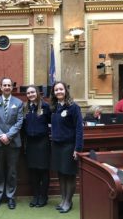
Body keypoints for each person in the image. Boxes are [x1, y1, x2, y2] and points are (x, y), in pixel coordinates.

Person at [0, 77, 23, 210]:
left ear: (12, 87)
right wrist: (1, 136)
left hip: (13, 142)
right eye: (5, 85)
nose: (7, 87)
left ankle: (10, 197)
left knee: (12, 172)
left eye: (9, 85)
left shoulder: (19, 102)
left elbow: (19, 122)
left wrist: (8, 135)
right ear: (1, 87)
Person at [50, 81, 83, 213]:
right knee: (61, 174)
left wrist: (77, 148)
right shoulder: (54, 107)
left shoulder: (74, 107)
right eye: (56, 90)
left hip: (69, 146)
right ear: (53, 92)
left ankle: (68, 202)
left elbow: (79, 129)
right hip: (57, 146)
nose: (58, 92)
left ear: (66, 91)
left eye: (61, 89)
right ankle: (63, 199)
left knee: (69, 175)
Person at [23, 85, 51, 208]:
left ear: (37, 93)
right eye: (28, 93)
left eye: (32, 92)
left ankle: (43, 196)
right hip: (30, 143)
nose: (30, 94)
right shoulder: (25, 107)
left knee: (43, 170)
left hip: (43, 142)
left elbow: (52, 122)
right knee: (33, 170)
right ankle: (36, 195)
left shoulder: (45, 106)